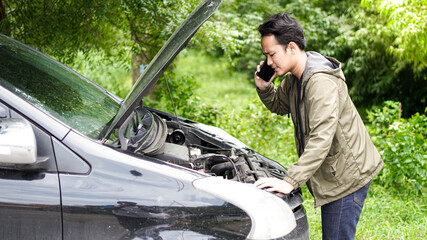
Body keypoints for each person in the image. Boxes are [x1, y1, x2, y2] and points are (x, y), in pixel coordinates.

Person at [253, 13, 384, 240]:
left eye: (272, 54)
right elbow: (280, 105)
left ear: (291, 47)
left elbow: (321, 138)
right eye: (266, 56)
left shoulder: (320, 81)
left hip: (347, 177)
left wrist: (289, 181)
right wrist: (265, 88)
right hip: (334, 170)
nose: (270, 62)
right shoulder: (295, 77)